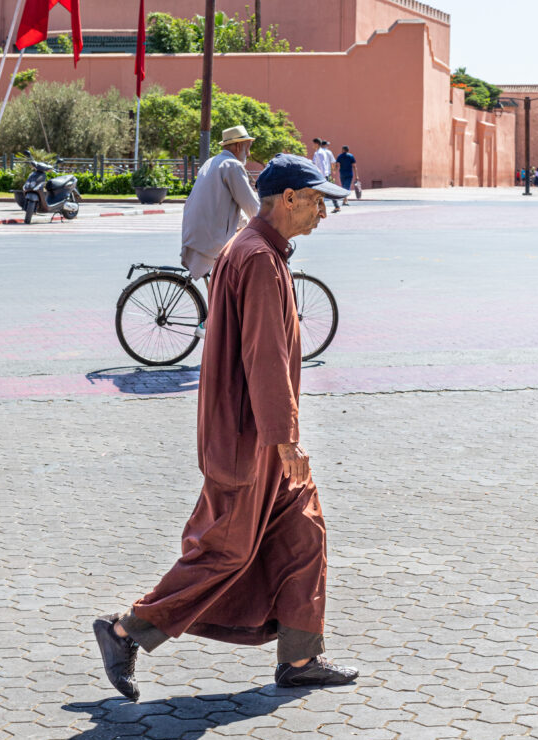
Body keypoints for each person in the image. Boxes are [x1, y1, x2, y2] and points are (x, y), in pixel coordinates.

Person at [93, 154, 357, 701]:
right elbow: (264, 357)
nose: (322, 213)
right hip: (249, 439)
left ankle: (302, 656)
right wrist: (284, 438)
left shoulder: (259, 251)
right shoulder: (258, 257)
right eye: (316, 201)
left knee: (304, 530)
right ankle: (125, 630)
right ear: (288, 199)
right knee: (225, 550)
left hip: (255, 434)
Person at [180, 126, 259, 280]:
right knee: (251, 259)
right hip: (211, 239)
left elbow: (226, 207)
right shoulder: (232, 165)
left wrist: (244, 224)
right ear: (238, 146)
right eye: (247, 148)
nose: (248, 154)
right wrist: (271, 223)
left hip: (196, 235)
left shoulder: (212, 161)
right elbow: (252, 207)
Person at [320, 140, 340, 214]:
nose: (328, 146)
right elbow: (333, 162)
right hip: (327, 174)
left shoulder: (318, 152)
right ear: (325, 145)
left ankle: (320, 208)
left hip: (320, 174)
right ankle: (336, 206)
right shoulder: (329, 152)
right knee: (329, 190)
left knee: (321, 191)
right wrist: (333, 170)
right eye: (327, 145)